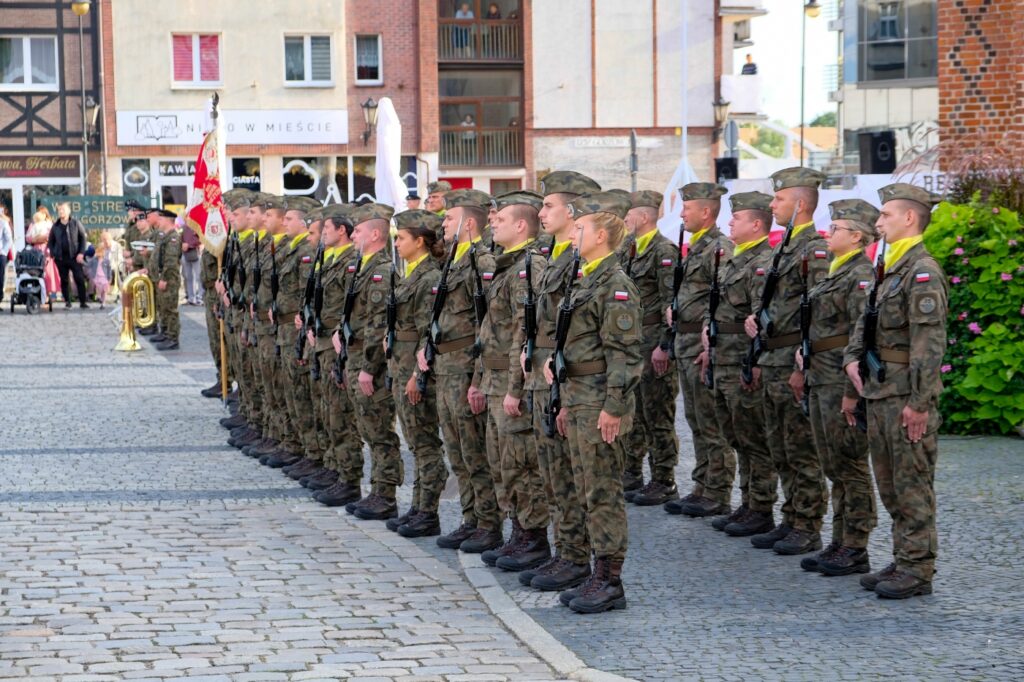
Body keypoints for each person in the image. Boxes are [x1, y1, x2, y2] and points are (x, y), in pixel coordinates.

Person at [844, 183, 946, 599]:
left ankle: (918, 568)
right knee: (889, 483)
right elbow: (867, 323)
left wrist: (920, 403)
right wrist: (854, 358)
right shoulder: (891, 268)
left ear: (909, 218)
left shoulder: (922, 271)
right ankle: (905, 557)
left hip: (905, 394)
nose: (878, 221)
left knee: (912, 482)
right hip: (880, 391)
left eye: (885, 215)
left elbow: (929, 344)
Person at [543, 191, 643, 613]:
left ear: (601, 235)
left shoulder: (616, 285)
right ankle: (592, 572)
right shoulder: (586, 277)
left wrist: (614, 408)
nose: (575, 234)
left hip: (601, 400)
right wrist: (565, 399)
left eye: (581, 229)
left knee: (602, 492)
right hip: (578, 397)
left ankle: (610, 580)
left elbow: (625, 354)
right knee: (585, 488)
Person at [743, 167, 830, 555]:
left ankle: (808, 525)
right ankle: (791, 516)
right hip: (772, 355)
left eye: (778, 199)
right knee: (779, 446)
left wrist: (802, 366)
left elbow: (819, 311)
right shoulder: (784, 246)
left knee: (800, 448)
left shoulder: (814, 249)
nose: (772, 204)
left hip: (792, 358)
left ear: (799, 204)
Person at [521, 171, 601, 594]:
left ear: (571, 212)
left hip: (568, 376)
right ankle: (565, 549)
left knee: (573, 474)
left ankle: (578, 556)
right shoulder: (547, 254)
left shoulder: (581, 258)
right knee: (552, 471)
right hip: (542, 372)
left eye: (548, 205)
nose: (541, 212)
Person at [796, 199, 880, 578]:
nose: (830, 233)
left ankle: (856, 544)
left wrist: (852, 390)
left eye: (838, 229)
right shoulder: (835, 272)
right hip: (820, 375)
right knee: (832, 463)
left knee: (849, 463)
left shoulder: (861, 275)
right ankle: (840, 538)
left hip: (838, 380)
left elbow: (861, 339)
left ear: (857, 236)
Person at [417, 188, 502, 553]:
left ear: (469, 223)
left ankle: (489, 523)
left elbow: (488, 325)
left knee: (475, 453)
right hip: (446, 367)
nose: (443, 223)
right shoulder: (453, 260)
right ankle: (471, 518)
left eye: (449, 218)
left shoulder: (481, 263)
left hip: (466, 369)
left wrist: (479, 378)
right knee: (458, 454)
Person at [476, 190, 551, 573]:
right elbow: (491, 330)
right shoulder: (509, 265)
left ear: (521, 225)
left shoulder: (528, 267)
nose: (493, 221)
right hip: (494, 378)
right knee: (502, 462)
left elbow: (525, 331)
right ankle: (518, 530)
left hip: (510, 382)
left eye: (500, 218)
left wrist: (515, 389)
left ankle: (533, 538)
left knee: (522, 463)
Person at [703, 192, 779, 537]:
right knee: (735, 432)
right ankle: (748, 503)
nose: (730, 222)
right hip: (723, 355)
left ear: (757, 225)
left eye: (738, 218)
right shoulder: (735, 259)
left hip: (743, 360)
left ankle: (760, 507)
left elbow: (759, 318)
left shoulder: (762, 262)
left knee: (752, 435)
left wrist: (757, 361)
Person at [666, 183, 736, 516]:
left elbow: (720, 298)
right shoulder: (696, 247)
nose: (682, 213)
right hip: (685, 341)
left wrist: (712, 343)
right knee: (695, 419)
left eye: (687, 207)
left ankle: (718, 491)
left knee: (711, 422)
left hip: (701, 343)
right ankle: (702, 484)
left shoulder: (719, 248)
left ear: (706, 212)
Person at [332, 203, 404, 522]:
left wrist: (368, 368)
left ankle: (385, 494)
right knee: (367, 427)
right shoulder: (363, 266)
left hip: (369, 359)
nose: (353, 235)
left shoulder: (381, 271)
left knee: (379, 431)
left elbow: (378, 325)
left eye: (358, 230)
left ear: (375, 234)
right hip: (356, 354)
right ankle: (376, 490)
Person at [386, 210, 448, 537]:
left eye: (401, 238)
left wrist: (416, 375)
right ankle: (417, 505)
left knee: (425, 442)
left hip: (415, 368)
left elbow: (428, 333)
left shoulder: (429, 278)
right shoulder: (409, 273)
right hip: (401, 363)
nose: (396, 244)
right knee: (415, 440)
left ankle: (429, 511)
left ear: (419, 241)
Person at [619, 190, 680, 501]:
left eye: (629, 215)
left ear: (643, 217)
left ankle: (664, 478)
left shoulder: (663, 251)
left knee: (658, 413)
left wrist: (665, 347)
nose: (625, 220)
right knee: (635, 412)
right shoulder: (628, 249)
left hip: (653, 339)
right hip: (632, 342)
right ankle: (632, 471)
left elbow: (673, 303)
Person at [142, 208, 182, 349]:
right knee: (163, 307)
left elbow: (170, 262)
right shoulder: (165, 236)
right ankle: (164, 333)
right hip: (161, 277)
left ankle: (172, 337)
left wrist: (164, 278)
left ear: (167, 220)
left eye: (161, 219)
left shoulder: (172, 237)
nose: (159, 221)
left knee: (170, 309)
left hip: (169, 279)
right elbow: (158, 258)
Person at [47, 202, 90, 308]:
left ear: (68, 211)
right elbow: (50, 241)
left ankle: (83, 302)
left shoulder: (75, 223)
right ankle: (67, 301)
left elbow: (83, 238)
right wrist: (53, 254)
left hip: (75, 257)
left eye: (63, 209)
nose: (61, 212)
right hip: (60, 259)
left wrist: (81, 253)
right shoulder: (55, 226)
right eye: (60, 210)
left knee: (79, 278)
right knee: (64, 280)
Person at [181, 219, 203, 305]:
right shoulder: (184, 228)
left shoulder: (197, 227)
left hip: (195, 252)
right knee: (188, 277)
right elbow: (180, 238)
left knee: (199, 276)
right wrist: (182, 244)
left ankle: (200, 296)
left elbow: (202, 239)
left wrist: (190, 245)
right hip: (186, 254)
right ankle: (191, 297)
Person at [0, 204, 11, 302]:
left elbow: (8, 240)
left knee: (0, 278)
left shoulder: (3, 223)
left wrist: (3, 252)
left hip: (0, 254)